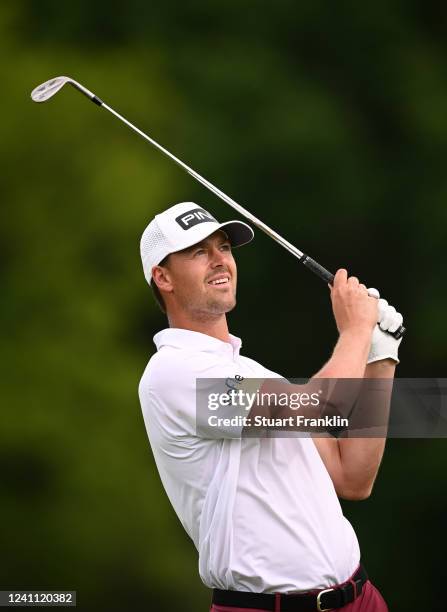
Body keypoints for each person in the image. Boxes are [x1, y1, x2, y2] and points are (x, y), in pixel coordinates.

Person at [138, 201, 403, 611]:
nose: (219, 260)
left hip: (361, 597)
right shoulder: (172, 373)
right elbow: (319, 406)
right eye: (198, 251)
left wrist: (380, 357)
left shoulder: (250, 371)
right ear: (163, 277)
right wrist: (355, 330)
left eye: (223, 247)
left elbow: (353, 477)